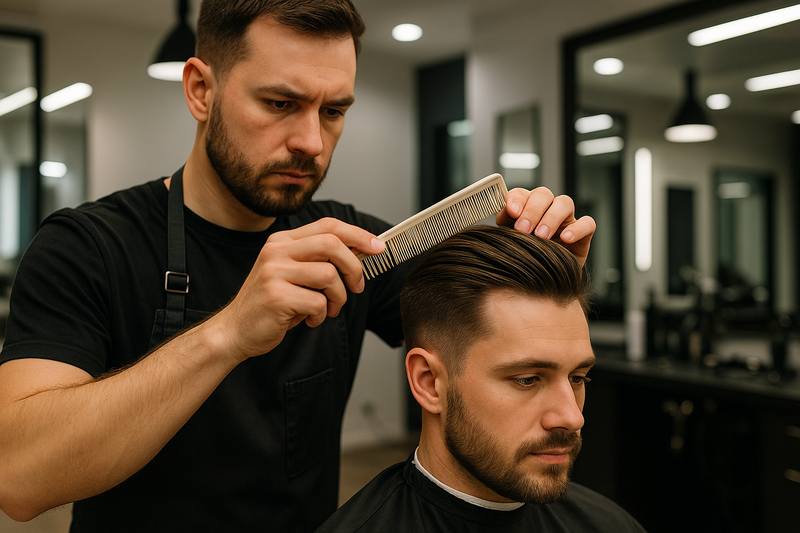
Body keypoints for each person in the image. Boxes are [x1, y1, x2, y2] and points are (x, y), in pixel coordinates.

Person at [0, 1, 595, 532]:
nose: (311, 140)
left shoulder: (358, 247)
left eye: (334, 110)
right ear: (201, 91)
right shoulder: (88, 247)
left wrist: (536, 274)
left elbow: (480, 342)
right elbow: (19, 481)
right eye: (280, 103)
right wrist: (227, 333)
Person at [316, 226, 645, 532]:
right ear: (430, 382)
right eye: (528, 379)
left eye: (577, 378)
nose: (572, 417)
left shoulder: (611, 524)